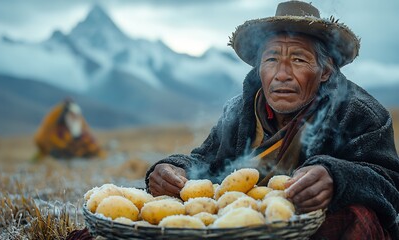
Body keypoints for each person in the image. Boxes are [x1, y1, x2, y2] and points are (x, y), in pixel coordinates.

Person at [146, 1, 399, 238]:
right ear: (259, 69)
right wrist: (172, 169)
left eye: (299, 59)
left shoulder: (359, 113)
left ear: (326, 70)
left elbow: (391, 184)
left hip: (321, 230)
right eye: (272, 59)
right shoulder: (240, 111)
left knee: (355, 216)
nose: (282, 74)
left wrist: (338, 178)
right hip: (252, 227)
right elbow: (206, 163)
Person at [33, 99, 106, 160]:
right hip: (59, 151)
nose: (74, 117)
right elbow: (49, 140)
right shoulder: (59, 127)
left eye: (75, 115)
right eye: (71, 115)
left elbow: (90, 142)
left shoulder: (80, 126)